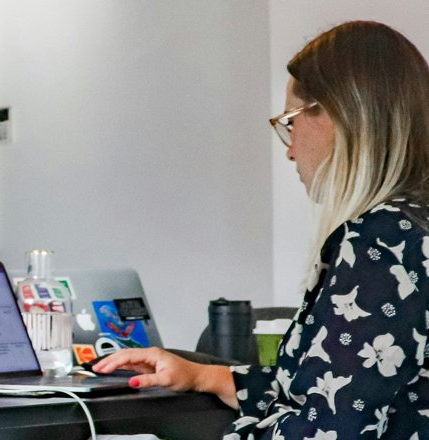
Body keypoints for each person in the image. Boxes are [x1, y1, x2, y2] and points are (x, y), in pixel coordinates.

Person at [93, 21, 429, 438]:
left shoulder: (379, 242)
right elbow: (342, 388)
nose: (289, 150)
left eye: (290, 121)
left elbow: (329, 428)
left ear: (339, 113)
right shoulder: (413, 226)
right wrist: (203, 376)